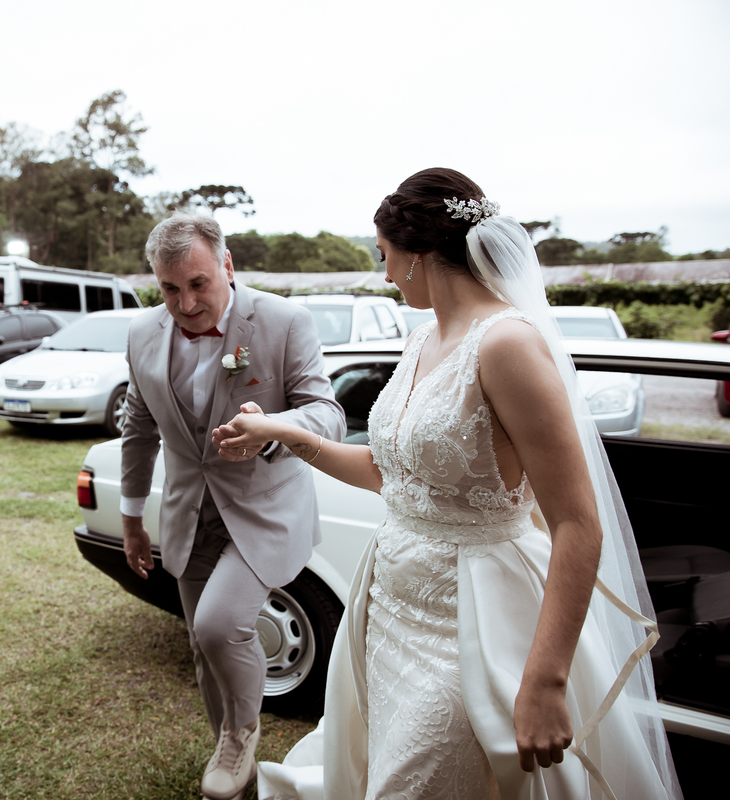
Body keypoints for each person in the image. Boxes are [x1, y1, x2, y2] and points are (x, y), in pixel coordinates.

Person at [215, 169, 681, 799]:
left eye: (383, 256)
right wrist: (282, 432)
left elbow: (577, 522)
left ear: (418, 252)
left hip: (478, 616)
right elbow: (388, 473)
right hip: (390, 605)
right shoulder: (422, 338)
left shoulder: (508, 345)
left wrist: (544, 681)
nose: (383, 274)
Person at [121, 214, 345, 800]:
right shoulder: (142, 335)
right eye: (170, 289)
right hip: (188, 513)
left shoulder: (284, 321)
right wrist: (130, 519)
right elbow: (139, 429)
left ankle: (242, 733)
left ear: (226, 265)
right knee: (202, 644)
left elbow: (327, 412)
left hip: (264, 509)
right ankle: (237, 772)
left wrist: (270, 427)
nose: (186, 303)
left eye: (198, 283)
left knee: (221, 625)